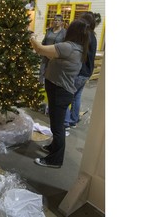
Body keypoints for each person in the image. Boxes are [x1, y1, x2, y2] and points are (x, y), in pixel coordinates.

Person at [30, 19, 90, 168]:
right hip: (59, 90)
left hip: (60, 91)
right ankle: (53, 147)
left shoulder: (68, 47)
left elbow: (39, 49)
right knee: (56, 125)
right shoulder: (77, 48)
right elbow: (53, 56)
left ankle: (55, 160)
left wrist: (31, 37)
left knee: (57, 128)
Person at [64, 12, 99, 129]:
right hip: (87, 72)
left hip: (79, 71)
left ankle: (65, 122)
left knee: (67, 96)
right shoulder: (93, 36)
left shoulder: (84, 35)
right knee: (76, 96)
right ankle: (73, 120)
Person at [39, 14, 67, 84]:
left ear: (62, 22)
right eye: (55, 20)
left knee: (52, 74)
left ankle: (49, 88)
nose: (56, 22)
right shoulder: (49, 30)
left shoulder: (64, 32)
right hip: (45, 55)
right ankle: (40, 88)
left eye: (58, 20)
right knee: (42, 72)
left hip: (56, 57)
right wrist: (42, 51)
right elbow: (44, 41)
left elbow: (64, 45)